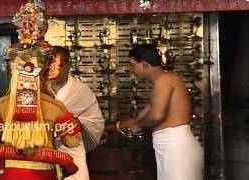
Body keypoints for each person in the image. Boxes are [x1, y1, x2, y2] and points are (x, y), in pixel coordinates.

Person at [0, 2, 82, 180]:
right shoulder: (55, 107)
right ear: (45, 70)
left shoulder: (2, 105)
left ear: (14, 70)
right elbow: (73, 141)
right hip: (43, 172)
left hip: (11, 172)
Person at [114, 44, 203, 180]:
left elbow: (156, 116)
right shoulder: (164, 82)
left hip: (176, 149)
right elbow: (143, 116)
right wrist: (118, 127)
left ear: (144, 64)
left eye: (133, 65)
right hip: (172, 150)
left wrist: (139, 126)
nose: (132, 70)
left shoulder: (165, 80)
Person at [47, 46, 105, 180]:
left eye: (59, 65)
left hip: (70, 151)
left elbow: (96, 122)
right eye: (50, 63)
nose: (53, 68)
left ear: (68, 66)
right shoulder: (38, 89)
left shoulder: (81, 91)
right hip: (42, 153)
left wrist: (79, 123)